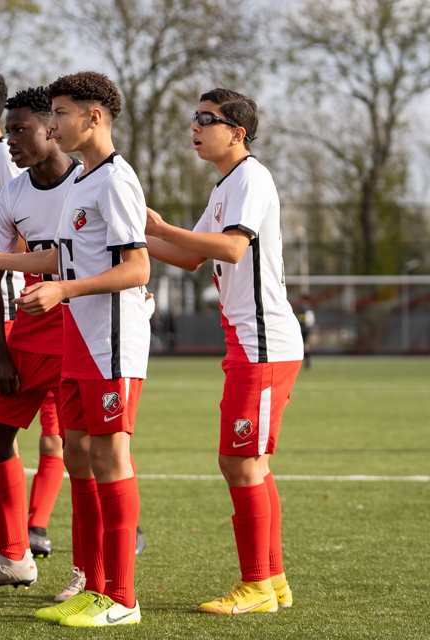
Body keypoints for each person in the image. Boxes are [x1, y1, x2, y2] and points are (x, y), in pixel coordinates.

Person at [0, 71, 150, 627]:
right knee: (81, 457)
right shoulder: (84, 184)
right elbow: (63, 259)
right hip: (81, 339)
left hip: (111, 341)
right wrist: (3, 263)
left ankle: (121, 599)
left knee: (109, 458)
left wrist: (65, 291)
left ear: (92, 117)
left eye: (59, 115)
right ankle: (93, 583)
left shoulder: (116, 179)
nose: (52, 126)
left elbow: (137, 267)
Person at [143, 88, 303, 614]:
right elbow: (191, 257)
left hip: (263, 345)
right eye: (193, 117)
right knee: (248, 462)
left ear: (238, 132)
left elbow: (233, 246)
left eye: (206, 119)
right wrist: (136, 239)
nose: (194, 126)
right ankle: (272, 580)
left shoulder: (252, 177)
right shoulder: (226, 186)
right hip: (249, 344)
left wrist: (164, 227)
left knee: (238, 461)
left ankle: (256, 585)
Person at [0, 86, 81, 591]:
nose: (12, 140)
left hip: (82, 336)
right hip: (26, 336)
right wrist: (2, 354)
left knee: (84, 451)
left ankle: (93, 570)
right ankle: (12, 554)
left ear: (52, 128)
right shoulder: (13, 192)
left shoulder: (90, 182)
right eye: (8, 130)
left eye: (21, 129)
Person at [298, 295, 314, 369]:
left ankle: (307, 360)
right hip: (305, 328)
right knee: (305, 344)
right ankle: (306, 360)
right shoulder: (307, 309)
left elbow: (307, 320)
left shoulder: (305, 309)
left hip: (304, 329)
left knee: (304, 345)